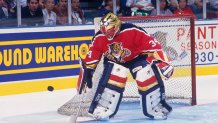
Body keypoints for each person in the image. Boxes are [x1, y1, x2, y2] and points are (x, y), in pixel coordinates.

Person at [81, 12, 174, 120]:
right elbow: (92, 55)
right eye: (104, 30)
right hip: (114, 60)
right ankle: (102, 108)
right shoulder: (99, 37)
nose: (107, 33)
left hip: (136, 58)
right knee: (114, 74)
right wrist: (89, 71)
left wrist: (164, 63)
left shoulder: (132, 30)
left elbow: (153, 46)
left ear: (117, 26)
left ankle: (156, 106)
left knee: (144, 74)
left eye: (110, 30)